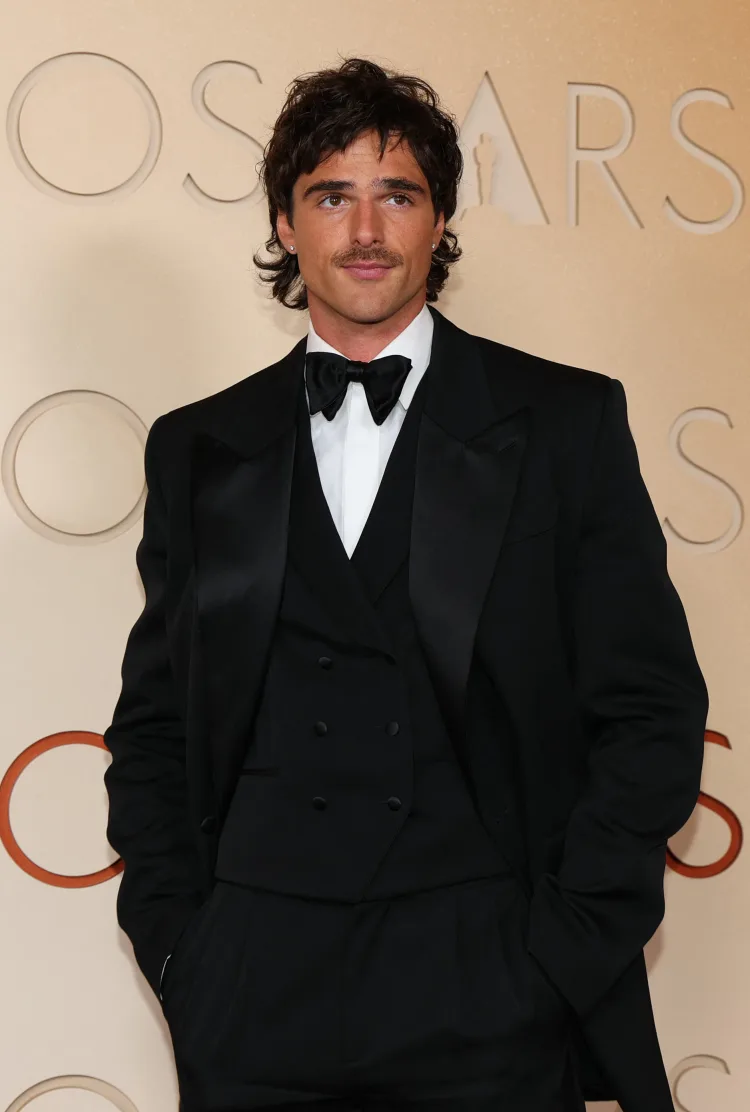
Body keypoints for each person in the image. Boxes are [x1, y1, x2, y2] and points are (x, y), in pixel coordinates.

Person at [102, 57, 708, 1112]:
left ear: (439, 223)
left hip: (486, 988)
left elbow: (653, 711)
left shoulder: (562, 424)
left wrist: (555, 957)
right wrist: (181, 951)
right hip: (251, 990)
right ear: (287, 225)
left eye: (399, 195)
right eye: (332, 195)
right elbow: (155, 721)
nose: (366, 229)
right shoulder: (198, 446)